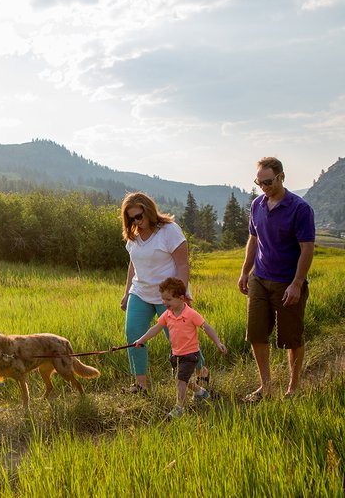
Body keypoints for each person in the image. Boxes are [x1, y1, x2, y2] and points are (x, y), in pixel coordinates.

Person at [238, 157, 315, 402]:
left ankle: (293, 388)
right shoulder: (257, 205)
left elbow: (307, 249)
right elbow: (253, 240)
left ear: (282, 176)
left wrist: (297, 283)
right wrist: (244, 271)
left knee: (291, 338)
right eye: (259, 183)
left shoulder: (300, 209)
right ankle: (266, 386)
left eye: (268, 182)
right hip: (260, 278)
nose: (264, 187)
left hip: (287, 282)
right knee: (256, 333)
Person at [119, 191, 209, 393]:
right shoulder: (133, 236)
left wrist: (181, 295)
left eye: (139, 216)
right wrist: (126, 293)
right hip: (140, 292)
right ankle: (140, 384)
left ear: (149, 211)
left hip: (168, 295)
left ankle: (201, 371)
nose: (136, 221)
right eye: (131, 218)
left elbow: (183, 265)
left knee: (180, 339)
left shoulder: (169, 230)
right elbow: (133, 265)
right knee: (133, 334)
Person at [134, 277, 227, 418]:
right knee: (182, 380)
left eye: (169, 299)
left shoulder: (190, 314)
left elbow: (206, 327)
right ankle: (200, 392)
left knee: (180, 381)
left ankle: (179, 409)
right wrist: (141, 340)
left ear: (181, 298)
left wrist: (218, 342)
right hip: (175, 354)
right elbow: (156, 328)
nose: (164, 303)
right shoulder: (168, 314)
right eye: (163, 299)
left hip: (190, 355)